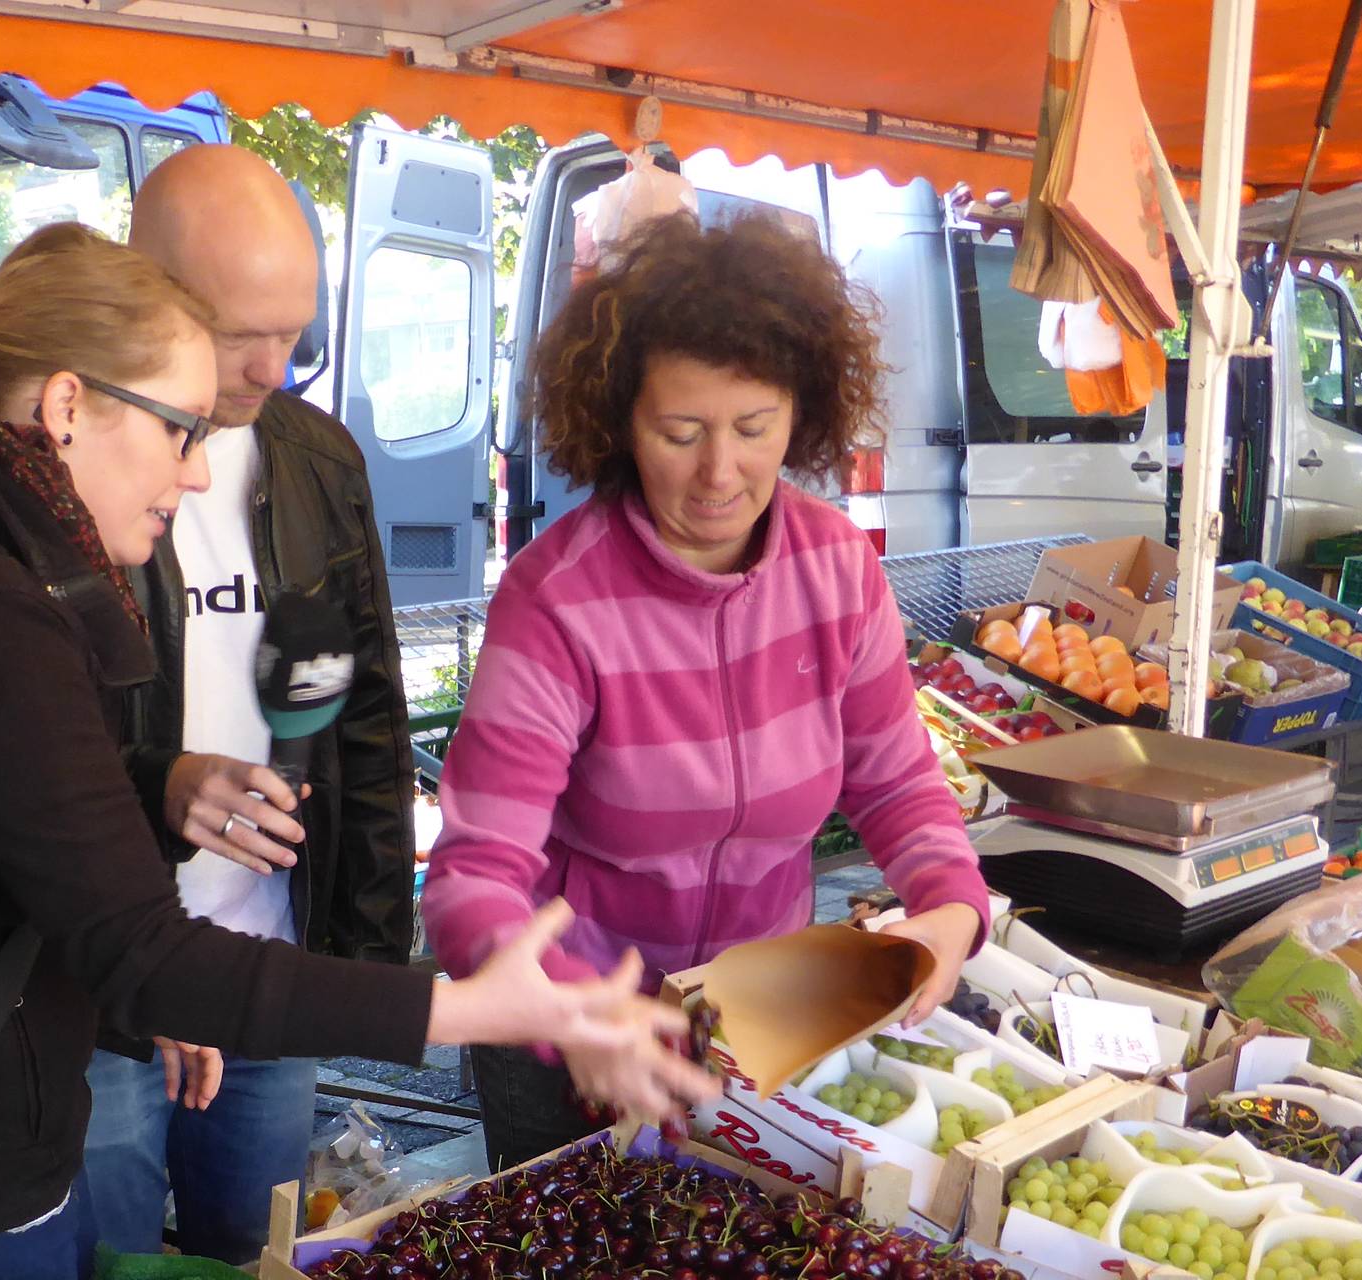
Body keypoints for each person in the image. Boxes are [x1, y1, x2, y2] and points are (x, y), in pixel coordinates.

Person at [0, 222, 714, 1280]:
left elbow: (13, 816)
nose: (198, 473)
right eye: (179, 430)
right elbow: (137, 945)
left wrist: (153, 795)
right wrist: (470, 1005)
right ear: (69, 407)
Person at [419, 211, 995, 1170]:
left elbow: (898, 782)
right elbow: (474, 879)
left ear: (800, 414)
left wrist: (951, 907)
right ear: (619, 422)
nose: (720, 471)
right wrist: (573, 1013)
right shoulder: (558, 600)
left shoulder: (838, 570)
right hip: (575, 1030)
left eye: (753, 428)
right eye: (680, 431)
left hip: (764, 1026)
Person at [74, 144, 417, 1268]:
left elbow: (363, 707)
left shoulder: (317, 459)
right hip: (98, 983)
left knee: (251, 1249)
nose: (271, 367)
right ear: (144, 286)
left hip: (264, 959)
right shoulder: (68, 464)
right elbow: (37, 746)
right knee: (113, 1257)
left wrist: (361, 954)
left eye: (294, 333)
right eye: (237, 334)